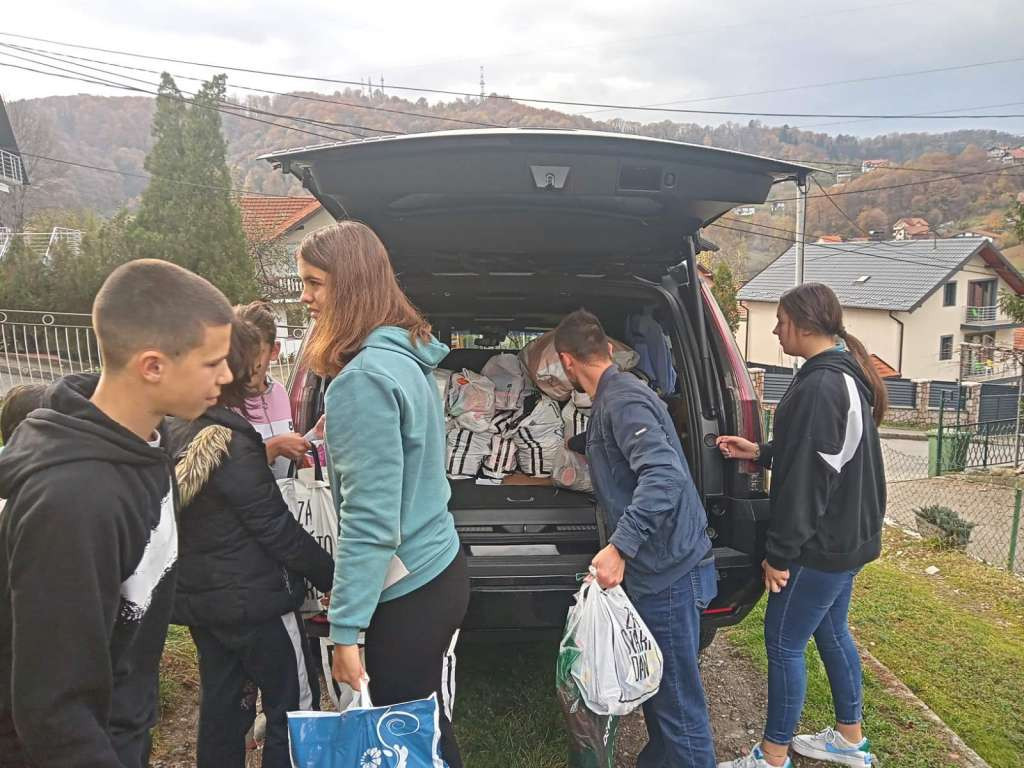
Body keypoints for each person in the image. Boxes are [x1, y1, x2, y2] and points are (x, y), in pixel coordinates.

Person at [0, 260, 234, 768]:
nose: (228, 376)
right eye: (213, 362)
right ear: (153, 366)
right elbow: (53, 710)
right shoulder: (73, 502)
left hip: (122, 733)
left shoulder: (148, 444)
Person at [296, 220, 469, 767]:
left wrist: (345, 632)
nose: (304, 298)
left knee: (403, 735)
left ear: (349, 286)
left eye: (314, 283)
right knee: (423, 727)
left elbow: (370, 521)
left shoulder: (364, 379)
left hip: (407, 588)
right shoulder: (403, 359)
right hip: (438, 568)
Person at [715, 282, 886, 768]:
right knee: (832, 632)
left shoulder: (821, 385)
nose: (776, 330)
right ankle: (849, 741)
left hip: (819, 544)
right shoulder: (842, 374)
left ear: (806, 326)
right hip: (849, 538)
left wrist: (780, 553)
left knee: (783, 641)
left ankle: (772, 757)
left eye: (782, 322)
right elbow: (821, 454)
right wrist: (761, 451)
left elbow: (808, 482)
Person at [168, 314, 334, 768]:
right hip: (259, 605)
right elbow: (276, 529)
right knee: (293, 705)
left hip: (205, 605)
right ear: (242, 369)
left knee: (224, 707)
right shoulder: (233, 443)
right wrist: (332, 575)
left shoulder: (177, 429)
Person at [554, 308, 718, 768]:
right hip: (663, 566)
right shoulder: (618, 396)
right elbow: (627, 448)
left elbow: (663, 476)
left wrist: (620, 546)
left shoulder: (622, 402)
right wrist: (585, 446)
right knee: (662, 695)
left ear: (566, 361)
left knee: (678, 705)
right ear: (608, 349)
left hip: (669, 572)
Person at [235, 301, 310, 478]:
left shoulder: (280, 392)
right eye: (238, 353)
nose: (246, 364)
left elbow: (286, 451)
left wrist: (313, 437)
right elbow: (225, 472)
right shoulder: (221, 401)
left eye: (255, 352)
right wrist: (275, 447)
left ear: (274, 351)